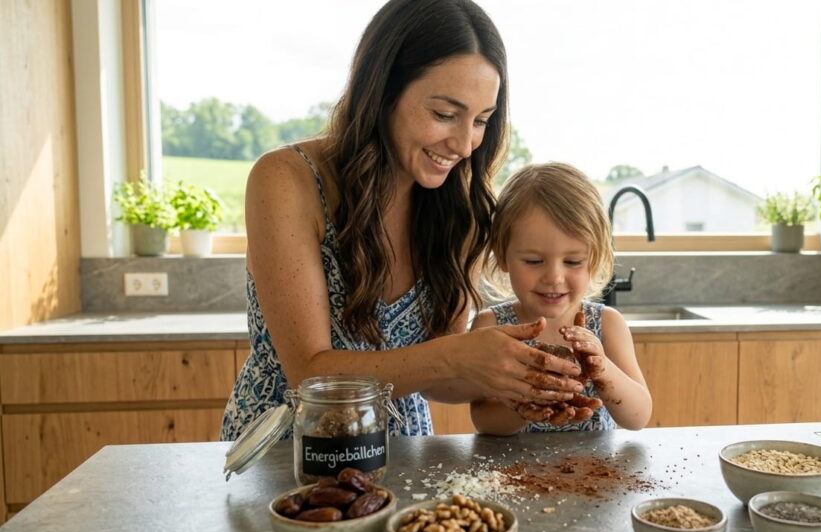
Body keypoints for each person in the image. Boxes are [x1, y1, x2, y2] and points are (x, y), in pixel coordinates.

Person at [221, 0, 584, 441]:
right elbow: (310, 376)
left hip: (403, 456)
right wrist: (458, 355)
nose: (466, 144)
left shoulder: (460, 211)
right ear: (383, 90)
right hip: (283, 453)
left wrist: (527, 382)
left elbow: (437, 381)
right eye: (445, 115)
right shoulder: (287, 180)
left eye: (481, 120)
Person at [470, 163, 652, 435]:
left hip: (594, 472)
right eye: (533, 261)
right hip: (514, 472)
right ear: (502, 254)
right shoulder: (493, 328)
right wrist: (525, 405)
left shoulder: (606, 325)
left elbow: (638, 417)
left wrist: (603, 369)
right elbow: (484, 421)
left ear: (595, 258)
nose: (554, 277)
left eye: (573, 261)